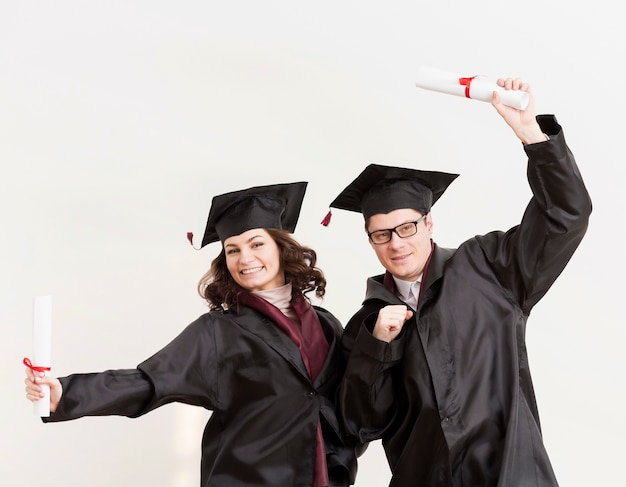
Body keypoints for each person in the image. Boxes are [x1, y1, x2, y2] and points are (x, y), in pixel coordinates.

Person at [327, 78, 592, 486]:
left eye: (407, 227)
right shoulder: (366, 325)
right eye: (381, 234)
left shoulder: (488, 268)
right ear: (370, 239)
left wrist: (532, 137)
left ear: (429, 222)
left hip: (511, 474)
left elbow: (566, 216)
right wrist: (376, 348)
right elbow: (360, 425)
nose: (396, 244)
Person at [25, 181, 361, 487]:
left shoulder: (326, 323)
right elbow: (149, 381)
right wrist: (67, 394)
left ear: (280, 247)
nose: (245, 258)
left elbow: (349, 401)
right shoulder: (219, 330)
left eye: (256, 243)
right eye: (232, 249)